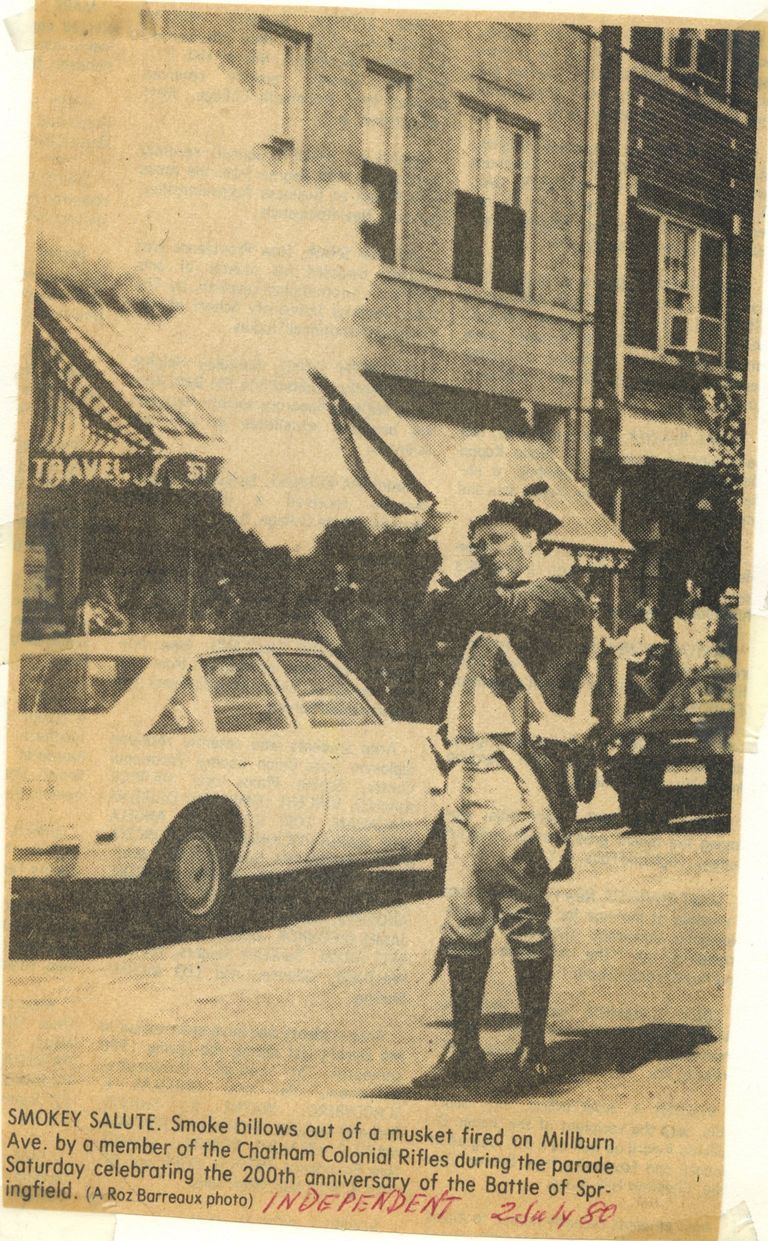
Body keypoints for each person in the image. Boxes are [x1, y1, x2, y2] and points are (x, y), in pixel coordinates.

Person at [414, 488, 597, 1090]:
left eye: (497, 540)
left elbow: (495, 615)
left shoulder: (554, 595)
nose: (484, 550)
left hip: (514, 773)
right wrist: (449, 567)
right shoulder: (498, 595)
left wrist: (457, 569)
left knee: (520, 913)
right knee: (463, 916)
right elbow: (433, 621)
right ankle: (467, 1045)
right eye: (479, 540)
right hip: (465, 770)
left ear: (534, 539)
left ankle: (533, 1046)